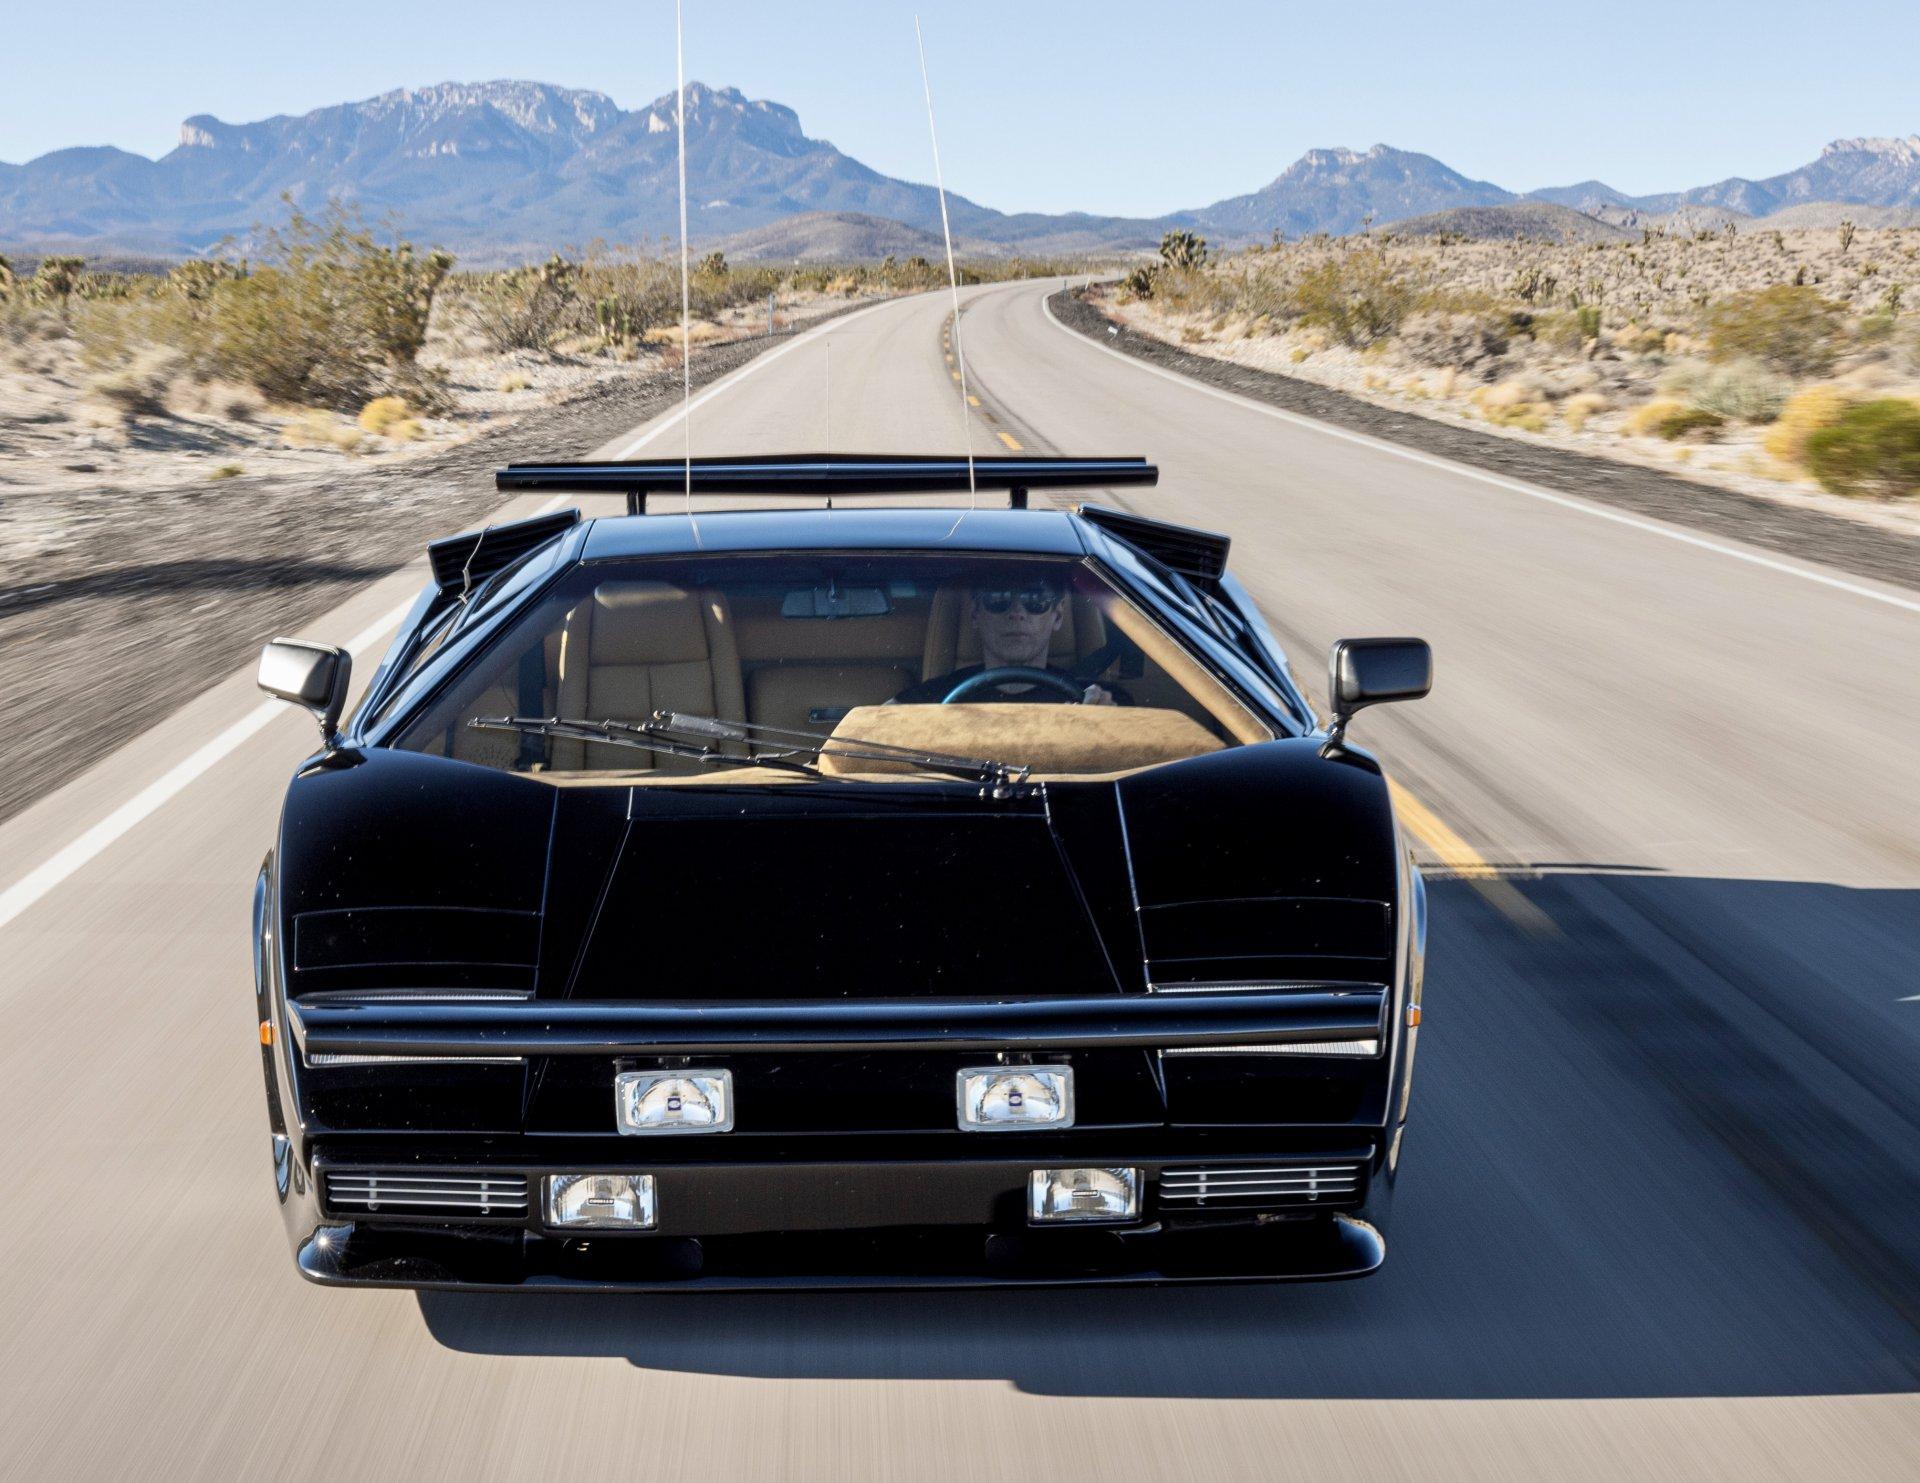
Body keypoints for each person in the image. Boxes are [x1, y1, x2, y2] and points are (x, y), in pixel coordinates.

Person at [891, 576, 1121, 705]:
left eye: (1035, 599)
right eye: (998, 599)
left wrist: (1108, 723)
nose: (1017, 612)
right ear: (975, 614)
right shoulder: (927, 700)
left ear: (1057, 616)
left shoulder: (1095, 700)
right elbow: (865, 734)